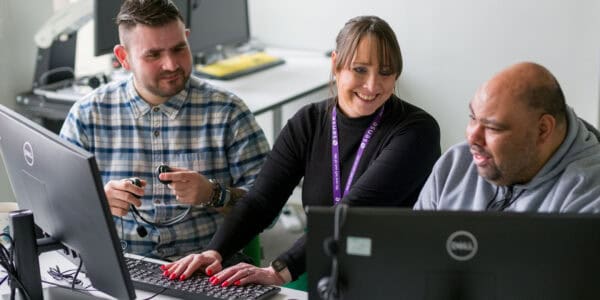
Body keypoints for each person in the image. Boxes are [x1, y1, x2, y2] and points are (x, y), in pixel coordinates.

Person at [162, 15, 441, 285]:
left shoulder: (417, 131)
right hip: (318, 254)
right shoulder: (308, 122)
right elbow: (261, 201)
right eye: (359, 69)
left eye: (385, 72)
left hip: (386, 265)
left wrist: (279, 270)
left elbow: (354, 211)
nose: (372, 85)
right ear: (336, 64)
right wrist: (215, 252)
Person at [59, 0, 269, 259]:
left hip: (206, 270)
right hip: (121, 267)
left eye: (179, 48)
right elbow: (57, 210)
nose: (171, 64)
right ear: (123, 58)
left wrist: (214, 194)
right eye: (153, 54)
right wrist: (98, 201)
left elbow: (268, 208)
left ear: (188, 39)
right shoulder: (87, 115)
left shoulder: (228, 112)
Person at [415, 62, 600, 212]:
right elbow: (414, 246)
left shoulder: (590, 192)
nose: (472, 137)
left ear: (543, 129)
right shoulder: (455, 163)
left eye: (493, 128)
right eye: (473, 118)